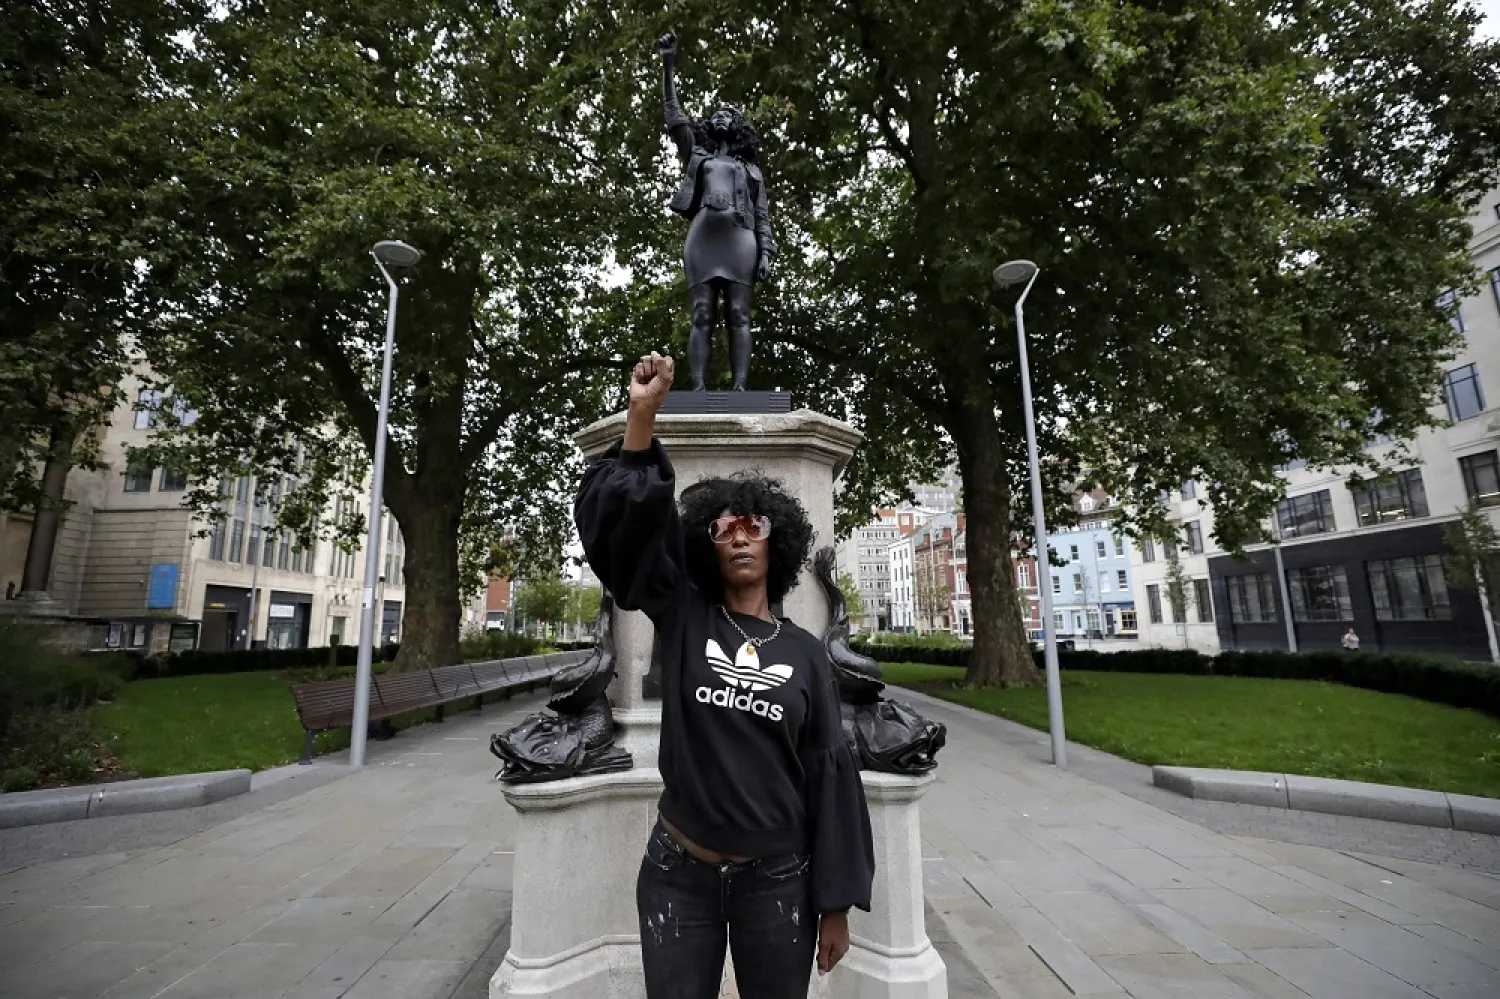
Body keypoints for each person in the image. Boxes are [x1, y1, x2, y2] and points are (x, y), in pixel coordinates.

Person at [575, 352, 874, 999]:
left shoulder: (804, 654)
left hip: (779, 880)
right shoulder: (683, 614)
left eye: (753, 525)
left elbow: (829, 773)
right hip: (678, 875)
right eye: (722, 527)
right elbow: (628, 544)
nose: (738, 535)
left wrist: (836, 904)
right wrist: (641, 415)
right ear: (707, 543)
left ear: (777, 542)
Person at [658, 32, 775, 391]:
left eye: (730, 114)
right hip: (704, 238)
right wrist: (668, 64)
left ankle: (740, 387)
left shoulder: (752, 171)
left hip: (741, 240)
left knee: (739, 314)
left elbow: (763, 217)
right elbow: (675, 118)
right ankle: (697, 387)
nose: (722, 116)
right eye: (718, 113)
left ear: (738, 126)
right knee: (702, 314)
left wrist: (767, 252)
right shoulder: (697, 155)